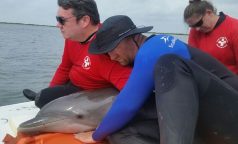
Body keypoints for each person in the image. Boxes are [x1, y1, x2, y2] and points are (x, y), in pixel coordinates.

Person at [75, 15, 238, 144]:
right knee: (120, 134)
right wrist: (104, 132)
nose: (111, 57)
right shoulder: (148, 53)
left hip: (230, 113)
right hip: (205, 123)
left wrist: (97, 135)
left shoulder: (157, 47)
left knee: (169, 63)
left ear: (132, 38)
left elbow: (128, 103)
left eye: (112, 49)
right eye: (106, 53)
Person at [23, 0, 131, 108]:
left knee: (43, 99)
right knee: (45, 96)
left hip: (88, 93)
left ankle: (41, 97)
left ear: (84, 20)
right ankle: (42, 95)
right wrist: (50, 90)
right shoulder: (72, 37)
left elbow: (132, 91)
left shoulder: (107, 48)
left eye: (62, 20)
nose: (58, 25)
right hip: (73, 80)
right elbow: (64, 68)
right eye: (57, 19)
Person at [184, 0, 238, 74]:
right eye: (193, 26)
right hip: (205, 79)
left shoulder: (234, 28)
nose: (197, 29)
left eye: (199, 23)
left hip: (230, 81)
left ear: (209, 13)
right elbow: (192, 60)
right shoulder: (195, 32)